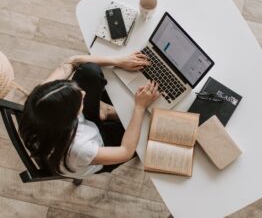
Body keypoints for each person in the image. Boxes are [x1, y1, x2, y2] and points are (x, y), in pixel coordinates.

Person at [19, 52, 160, 179]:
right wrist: (139, 107)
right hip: (98, 146)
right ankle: (106, 112)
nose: (83, 93)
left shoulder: (40, 98)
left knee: (89, 71)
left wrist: (118, 61)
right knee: (149, 130)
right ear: (71, 117)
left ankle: (104, 112)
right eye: (78, 99)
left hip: (74, 129)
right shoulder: (80, 149)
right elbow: (125, 151)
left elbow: (72, 61)